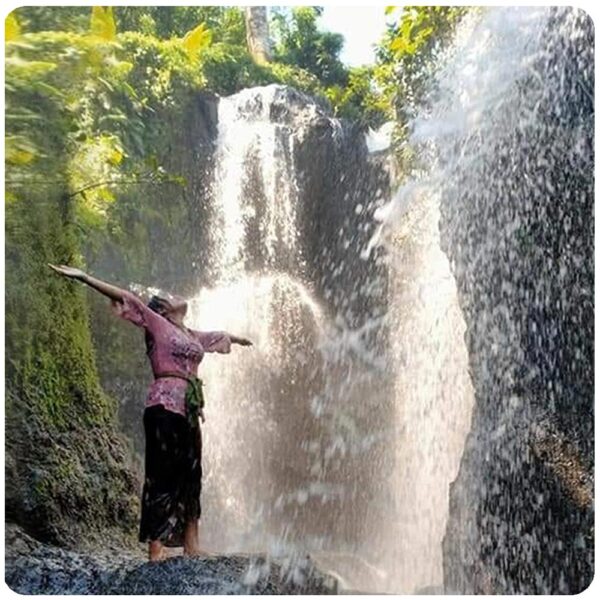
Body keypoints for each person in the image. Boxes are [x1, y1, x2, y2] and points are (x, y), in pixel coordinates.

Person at [48, 264, 252, 561]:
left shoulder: (191, 334)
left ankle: (191, 544)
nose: (175, 294)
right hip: (163, 405)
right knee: (162, 472)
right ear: (164, 310)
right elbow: (127, 298)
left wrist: (236, 338)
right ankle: (155, 548)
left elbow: (214, 337)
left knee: (192, 473)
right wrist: (85, 278)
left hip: (190, 409)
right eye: (168, 296)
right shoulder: (157, 323)